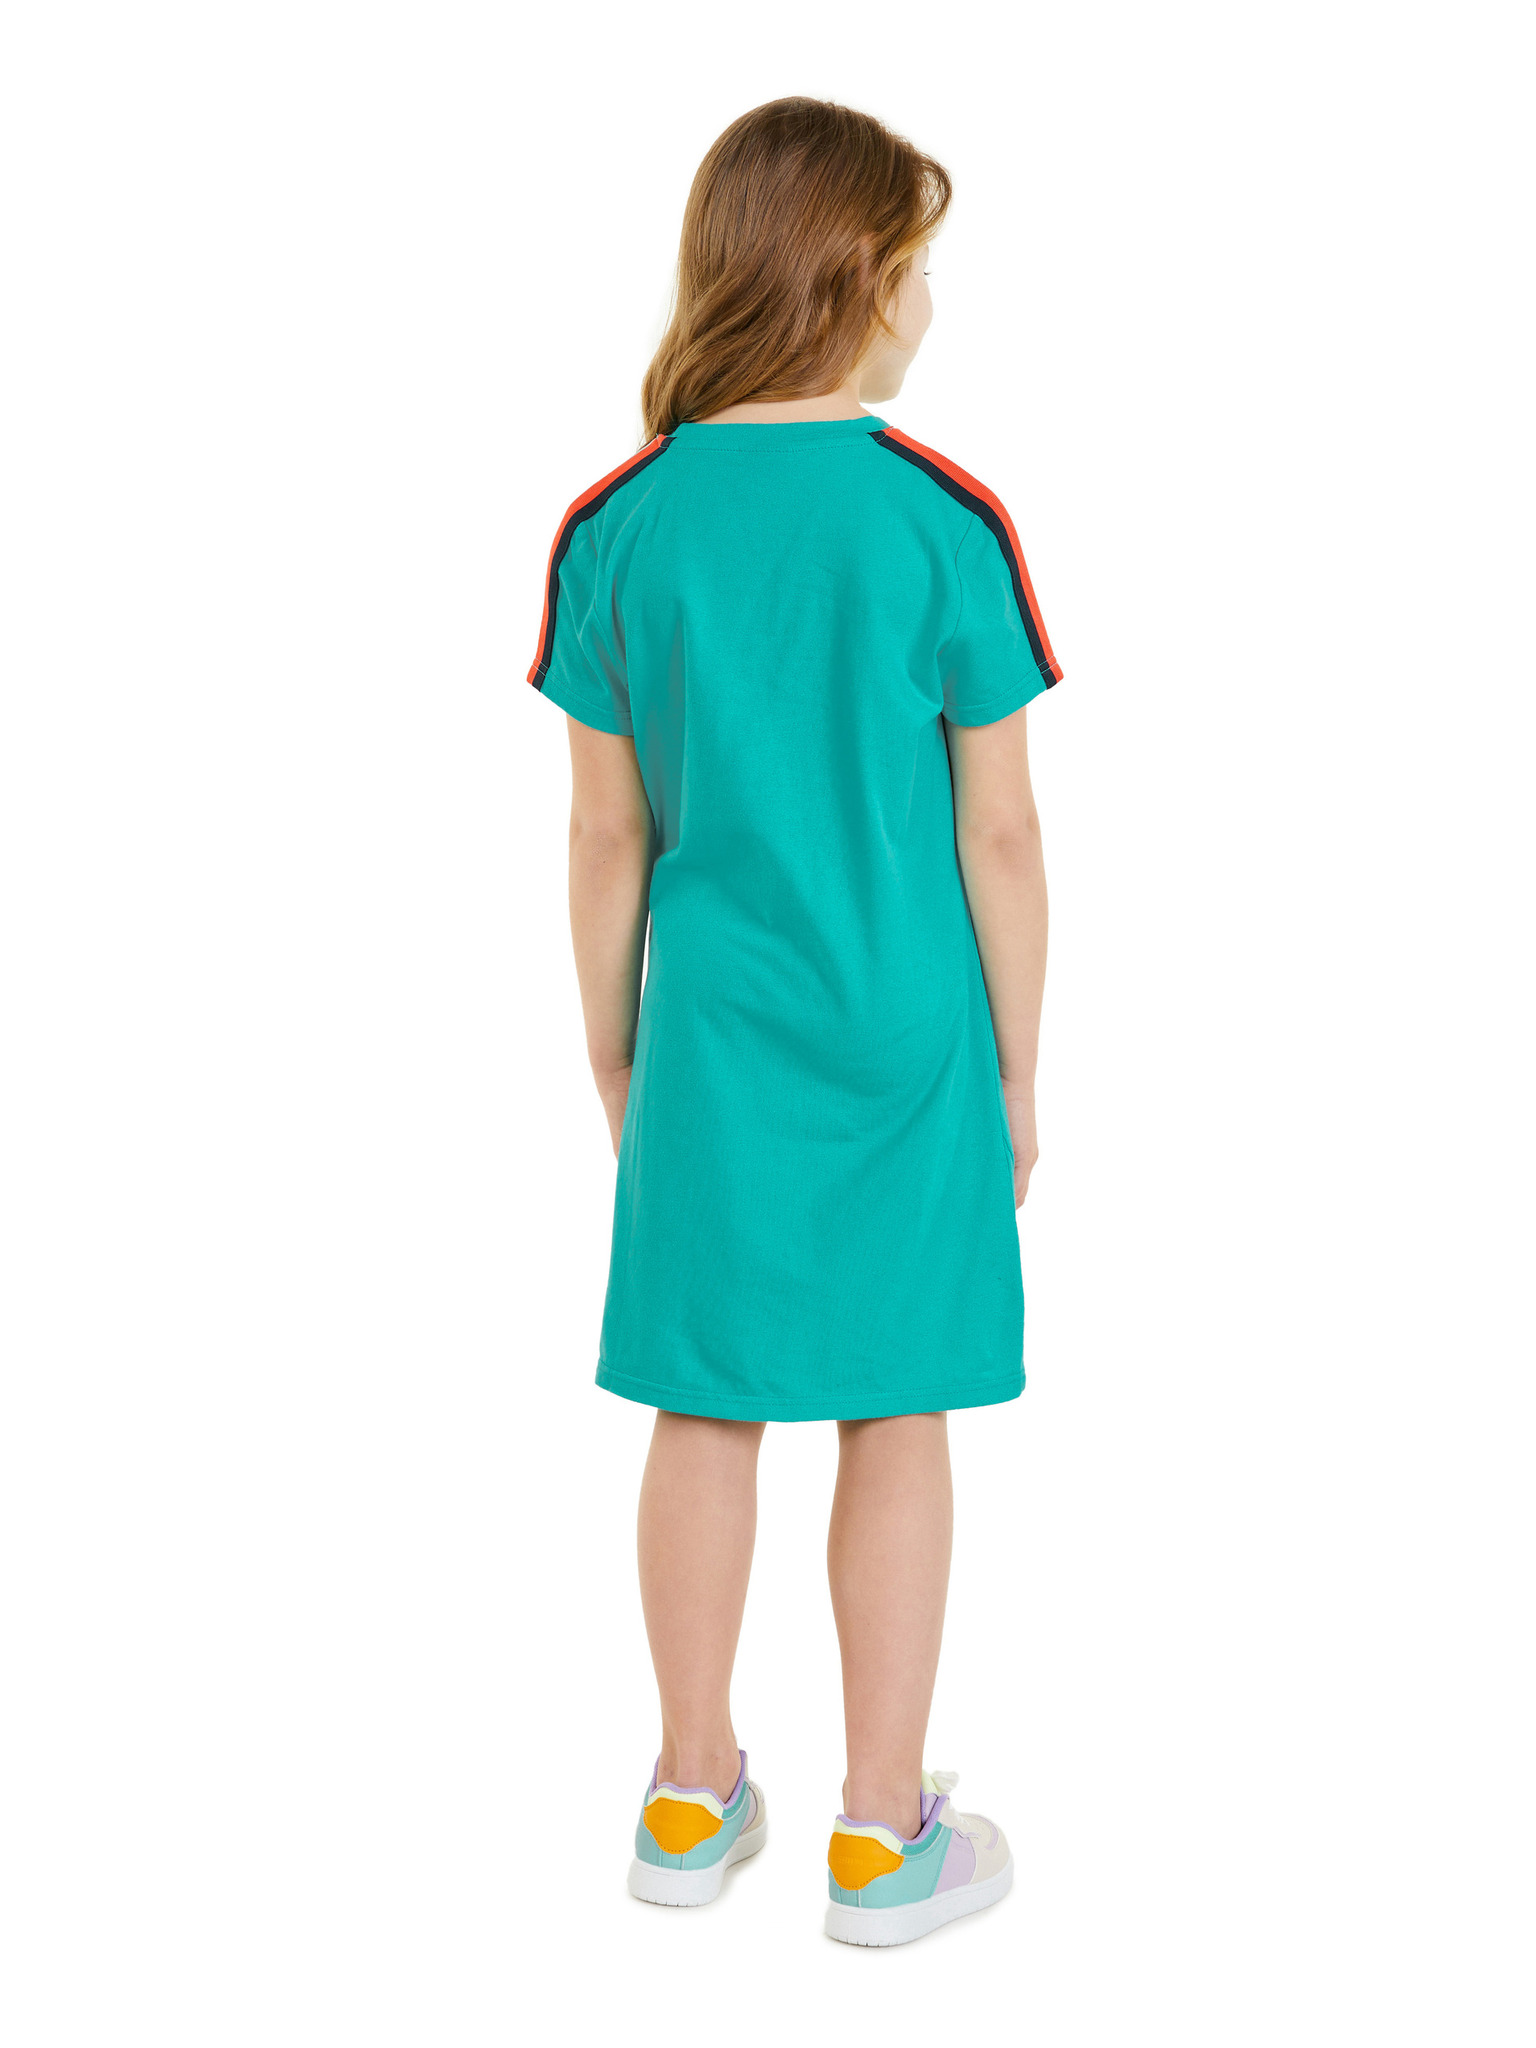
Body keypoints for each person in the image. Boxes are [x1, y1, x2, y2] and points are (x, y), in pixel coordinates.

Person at [528, 96, 1062, 1947]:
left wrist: (616, 1051)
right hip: (910, 1047)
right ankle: (879, 1833)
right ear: (848, 280)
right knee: (896, 1408)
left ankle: (689, 1798)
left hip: (715, 1049)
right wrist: (1018, 1068)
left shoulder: (619, 526)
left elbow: (607, 836)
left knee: (705, 1404)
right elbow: (1001, 834)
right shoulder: (941, 524)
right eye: (916, 266)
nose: (929, 304)